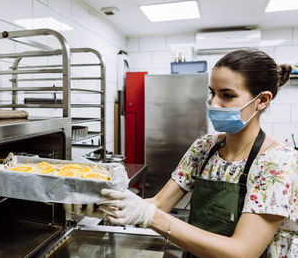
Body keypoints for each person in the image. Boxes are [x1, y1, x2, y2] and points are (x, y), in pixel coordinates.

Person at [65, 49, 297, 257]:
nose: (213, 103)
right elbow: (159, 203)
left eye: (227, 95)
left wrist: (147, 216)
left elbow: (243, 251)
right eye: (212, 93)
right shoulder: (204, 148)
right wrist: (107, 206)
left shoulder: (277, 162)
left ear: (262, 101)